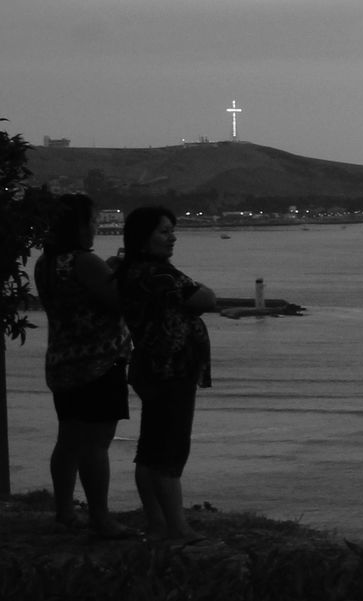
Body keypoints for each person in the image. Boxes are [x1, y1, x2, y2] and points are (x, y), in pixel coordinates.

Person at [33, 193, 136, 539]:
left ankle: (64, 510)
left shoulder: (46, 263)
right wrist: (119, 271)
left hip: (63, 361)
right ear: (79, 225)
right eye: (93, 220)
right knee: (96, 443)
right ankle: (101, 517)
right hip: (98, 362)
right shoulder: (84, 262)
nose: (96, 226)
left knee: (68, 440)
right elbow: (119, 301)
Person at [116, 206, 217, 543]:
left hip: (150, 368)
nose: (172, 237)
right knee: (170, 452)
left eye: (172, 230)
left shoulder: (130, 271)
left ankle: (157, 523)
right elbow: (206, 298)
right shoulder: (160, 276)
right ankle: (178, 527)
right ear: (143, 237)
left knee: (150, 450)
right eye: (163, 231)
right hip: (172, 371)